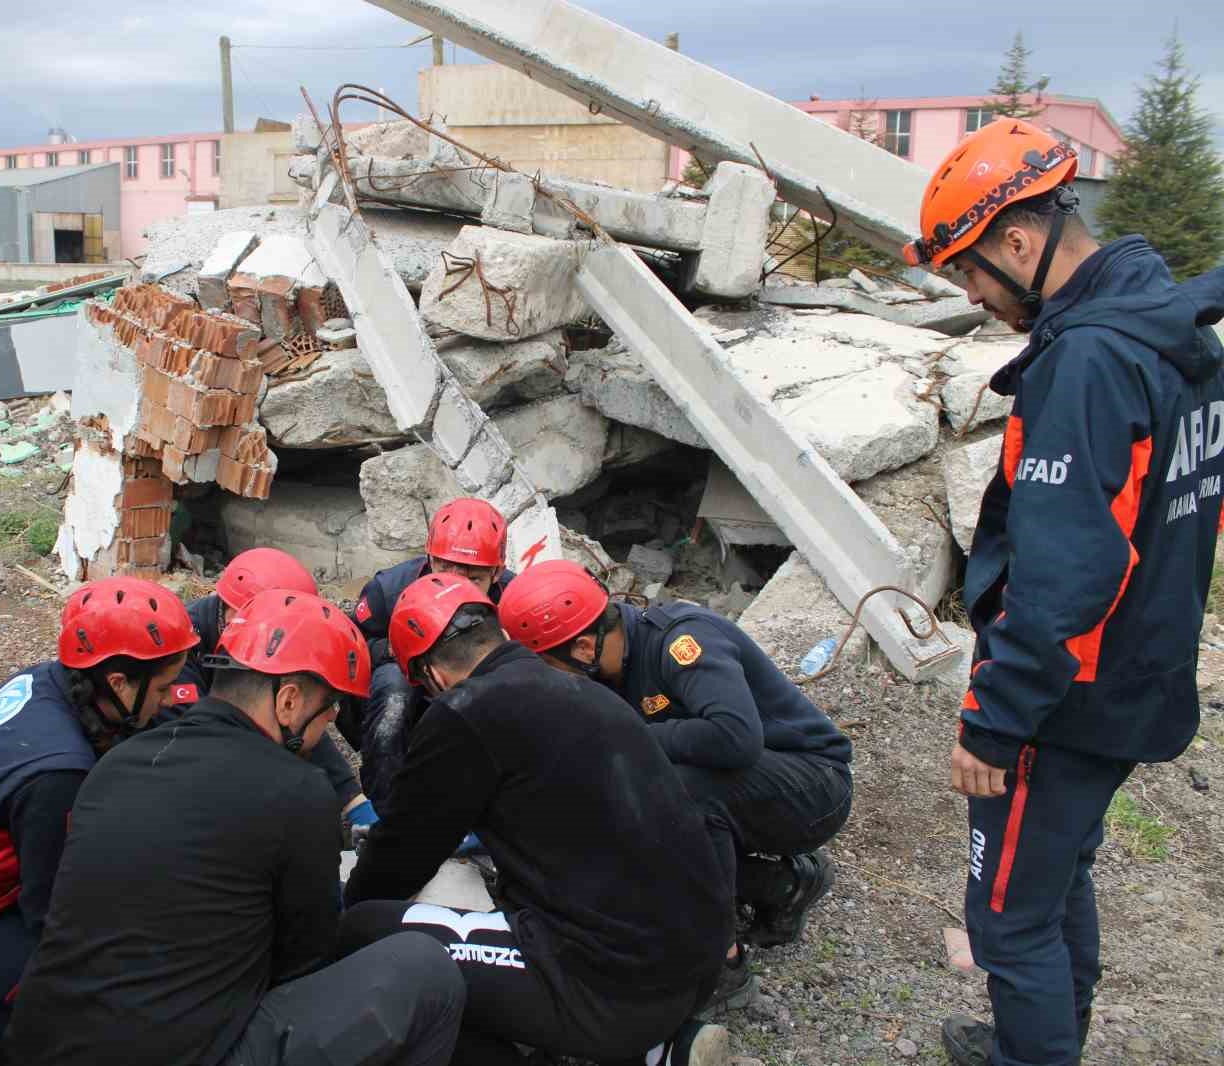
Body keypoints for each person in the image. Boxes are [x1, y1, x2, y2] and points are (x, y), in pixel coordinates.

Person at [902, 117, 1224, 1066]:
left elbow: (1065, 574)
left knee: (1007, 920)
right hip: (1139, 672)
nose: (972, 296)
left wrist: (995, 721)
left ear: (1018, 241)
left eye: (969, 272)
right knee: (1052, 878)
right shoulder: (1171, 330)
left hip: (1064, 697)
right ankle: (1041, 1041)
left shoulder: (1088, 363)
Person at [5, 588, 466, 1066]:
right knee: (426, 968)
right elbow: (306, 961)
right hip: (185, 1052)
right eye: (328, 706)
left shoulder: (114, 765)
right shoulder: (299, 791)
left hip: (43, 1042)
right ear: (288, 701)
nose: (330, 719)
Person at [340, 573, 736, 1066]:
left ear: (433, 676)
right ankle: (658, 1050)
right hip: (696, 963)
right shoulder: (588, 693)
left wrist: (345, 907)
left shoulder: (464, 711)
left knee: (367, 931)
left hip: (614, 991)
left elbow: (401, 854)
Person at [0, 576, 197, 1065]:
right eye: (165, 687)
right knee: (102, 996)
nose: (171, 699)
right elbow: (54, 915)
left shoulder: (50, 683)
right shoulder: (55, 775)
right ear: (118, 683)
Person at [498, 559, 852, 1007]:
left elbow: (735, 738)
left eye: (549, 665)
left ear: (584, 648)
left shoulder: (681, 642)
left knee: (680, 792)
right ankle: (779, 884)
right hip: (745, 788)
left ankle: (720, 963)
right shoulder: (608, 667)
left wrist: (625, 736)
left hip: (814, 787)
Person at [175, 546, 375, 830]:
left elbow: (299, 717)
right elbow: (194, 745)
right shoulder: (181, 650)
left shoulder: (254, 639)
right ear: (233, 617)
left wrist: (354, 801)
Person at [345, 497, 517, 807]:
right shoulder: (388, 590)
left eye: (473, 579)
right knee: (393, 691)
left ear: (497, 572)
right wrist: (398, 650)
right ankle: (386, 806)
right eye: (445, 572)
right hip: (408, 680)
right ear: (429, 559)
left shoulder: (516, 599)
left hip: (479, 688)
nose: (456, 590)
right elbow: (348, 647)